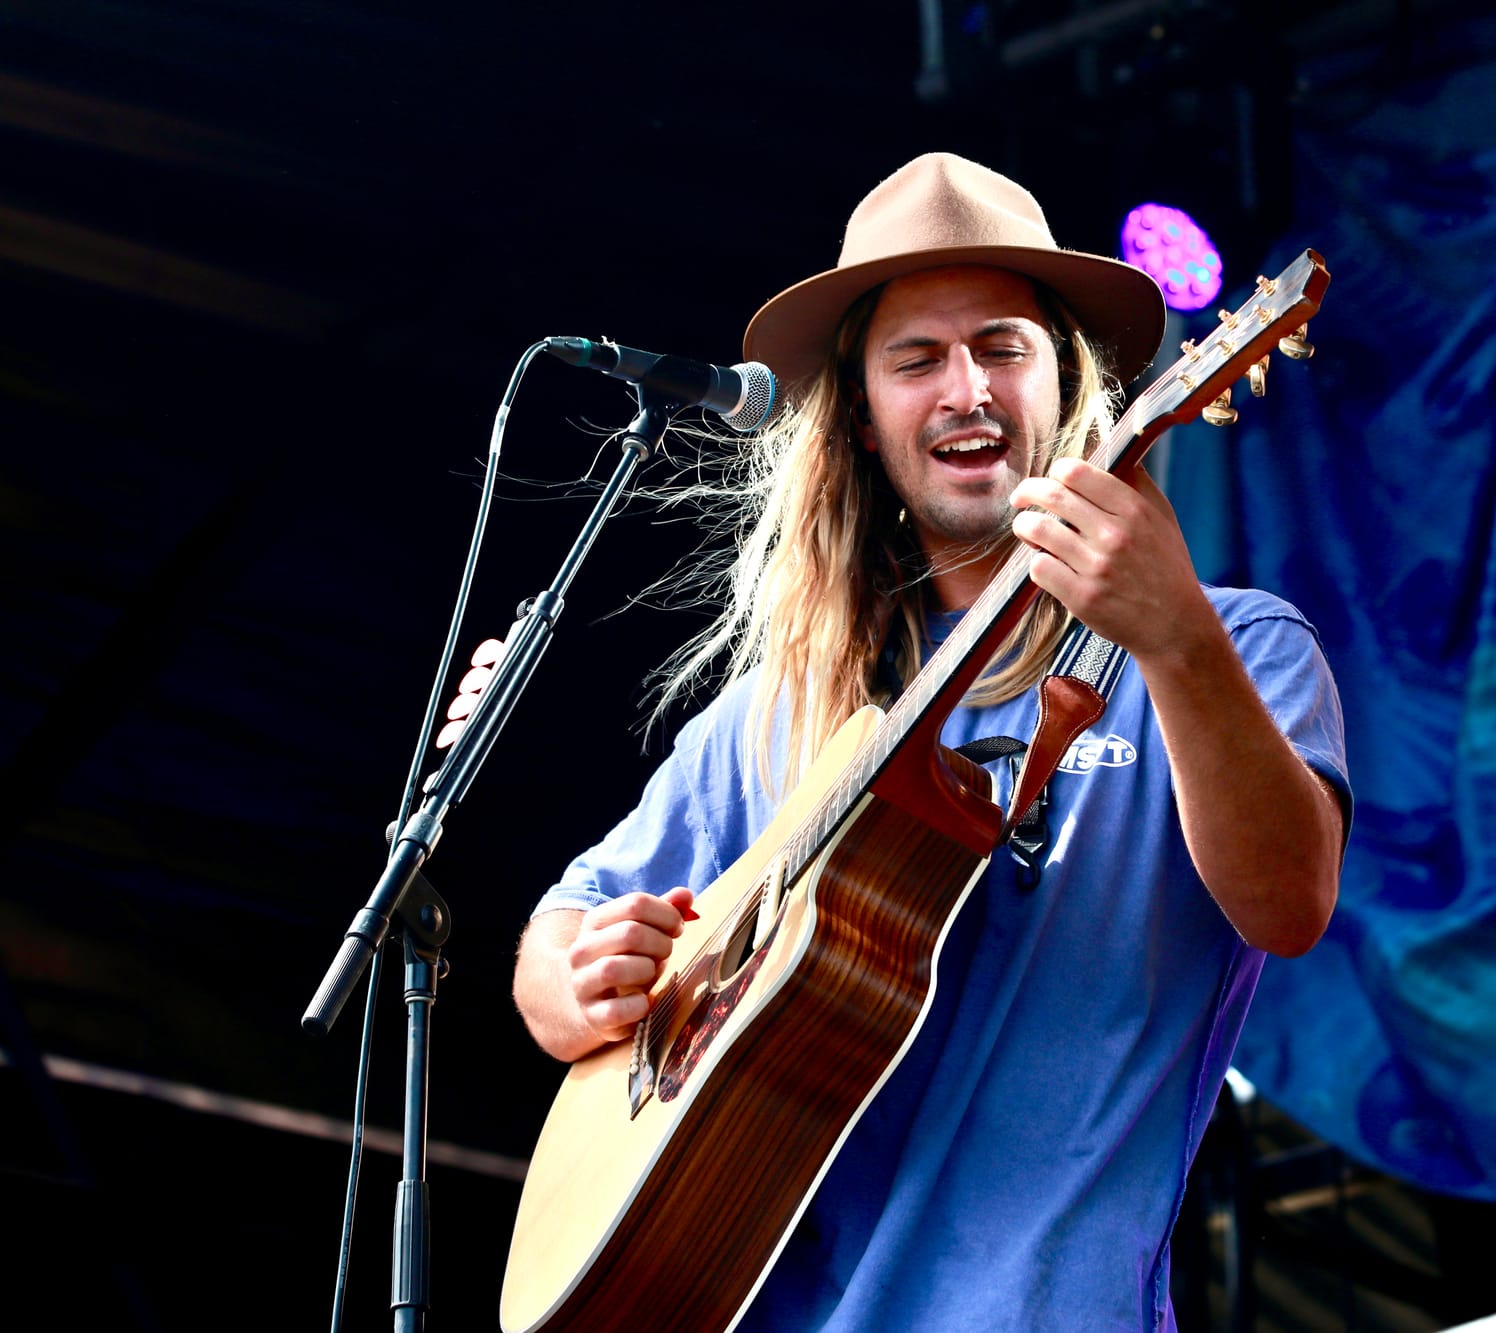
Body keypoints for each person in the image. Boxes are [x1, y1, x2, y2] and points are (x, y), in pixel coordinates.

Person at [510, 152, 1349, 1330]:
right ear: (860, 414)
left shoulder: (1237, 649)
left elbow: (1290, 901)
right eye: (916, 360)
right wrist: (582, 984)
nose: (965, 389)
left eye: (1002, 347)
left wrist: (1175, 642)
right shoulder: (775, 712)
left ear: (1066, 383)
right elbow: (558, 937)